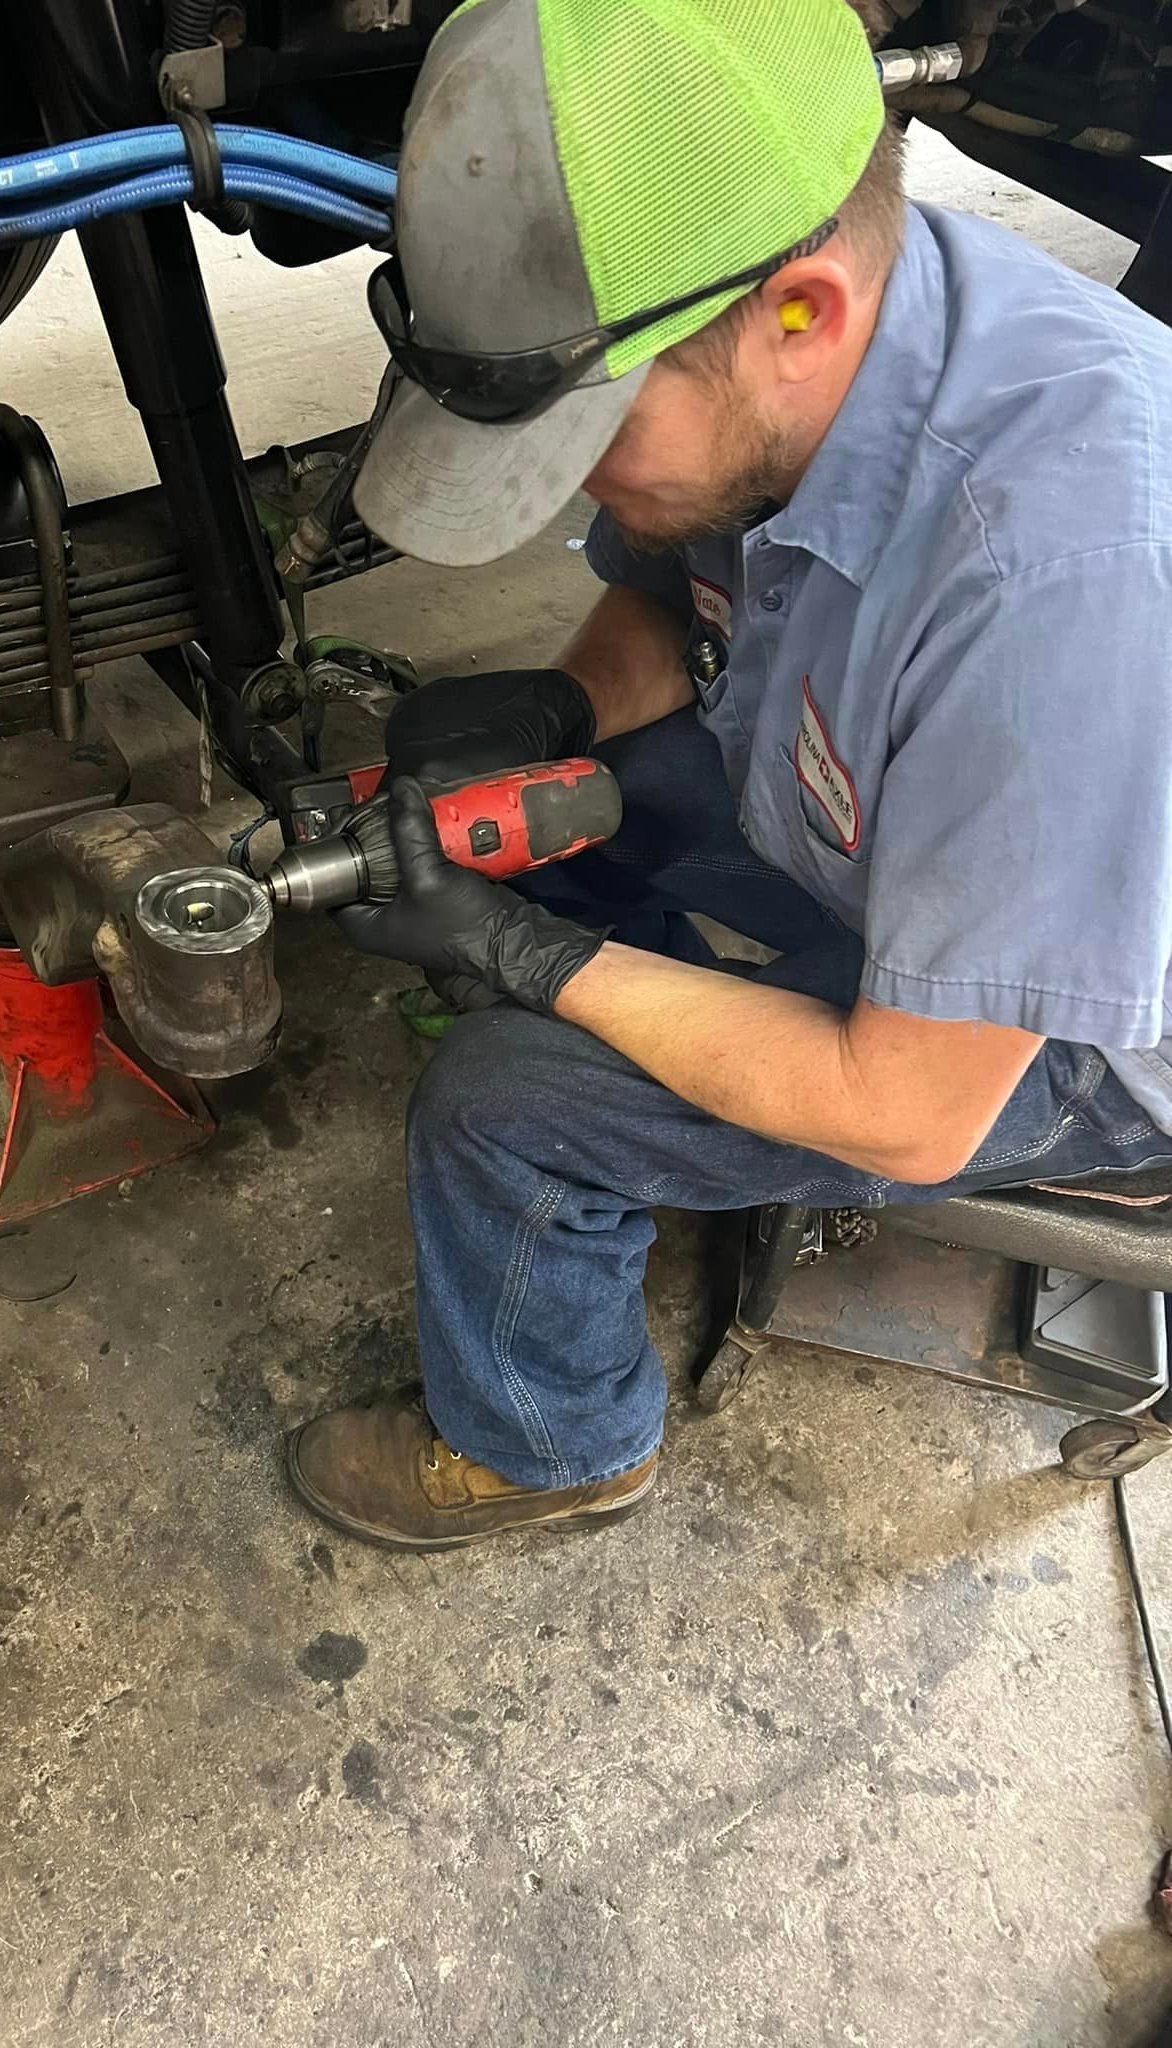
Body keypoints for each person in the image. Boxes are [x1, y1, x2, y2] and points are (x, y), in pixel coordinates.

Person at [285, 0, 1172, 1549]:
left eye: (586, 436)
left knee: (499, 1103)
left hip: (1085, 1036)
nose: (565, 488)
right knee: (523, 834)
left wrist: (534, 962)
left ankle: (549, 1446)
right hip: (884, 815)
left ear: (802, 313)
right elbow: (668, 601)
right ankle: (654, 1002)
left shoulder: (1062, 588)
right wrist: (554, 716)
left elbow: (901, 1112)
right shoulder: (807, 370)